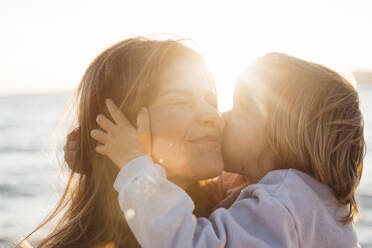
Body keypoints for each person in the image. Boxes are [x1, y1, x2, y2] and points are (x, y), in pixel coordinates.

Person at [92, 53, 365, 247]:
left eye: (243, 107)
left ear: (282, 134)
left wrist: (133, 165)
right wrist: (93, 154)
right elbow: (216, 192)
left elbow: (189, 243)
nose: (222, 115)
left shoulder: (281, 205)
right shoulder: (297, 196)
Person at [21, 37, 225, 248]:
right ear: (117, 125)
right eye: (181, 101)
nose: (212, 115)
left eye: (212, 102)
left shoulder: (234, 213)